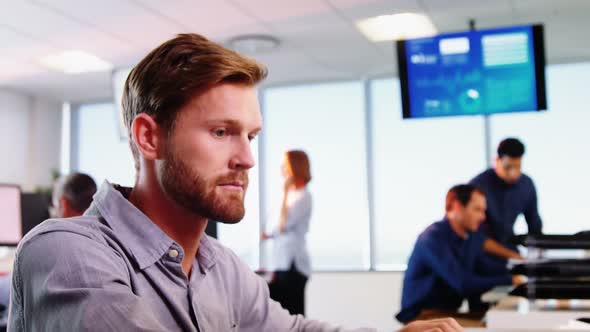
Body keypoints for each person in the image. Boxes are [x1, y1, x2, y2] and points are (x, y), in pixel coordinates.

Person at [9, 33, 462, 332]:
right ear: (150, 137)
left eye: (251, 136)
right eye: (221, 132)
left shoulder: (218, 266)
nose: (246, 158)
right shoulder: (68, 250)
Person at [397, 184, 523, 326]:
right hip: (423, 317)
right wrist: (510, 280)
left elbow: (487, 268)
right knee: (494, 327)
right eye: (477, 210)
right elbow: (463, 283)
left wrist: (522, 271)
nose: (482, 217)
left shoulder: (469, 239)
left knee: (503, 321)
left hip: (447, 314)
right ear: (456, 206)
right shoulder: (432, 237)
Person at [261, 150, 312, 316]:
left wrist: (284, 193)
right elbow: (272, 227)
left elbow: (282, 225)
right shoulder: (288, 196)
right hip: (280, 264)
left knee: (293, 316)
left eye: (286, 165)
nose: (282, 169)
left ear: (295, 166)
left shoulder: (304, 196)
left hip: (293, 267)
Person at [469, 138, 542, 250]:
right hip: (481, 253)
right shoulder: (478, 186)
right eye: (508, 168)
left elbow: (535, 226)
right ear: (497, 161)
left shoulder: (526, 185)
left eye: (517, 167)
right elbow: (474, 236)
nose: (513, 174)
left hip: (510, 248)